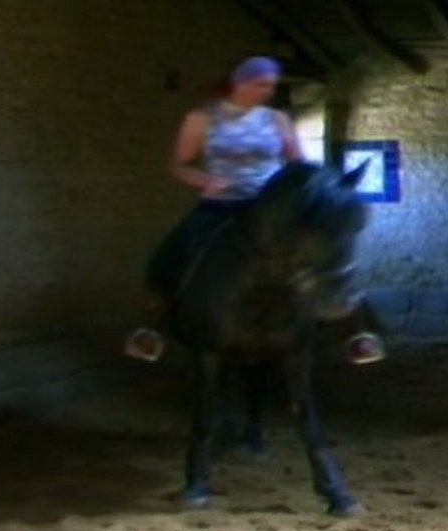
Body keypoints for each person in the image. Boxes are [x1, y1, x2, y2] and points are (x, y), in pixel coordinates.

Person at [124, 55, 386, 365]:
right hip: (219, 205)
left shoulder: (277, 120)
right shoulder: (202, 117)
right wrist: (203, 179)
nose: (267, 91)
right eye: (261, 84)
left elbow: (299, 167)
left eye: (271, 86)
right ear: (239, 83)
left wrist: (319, 187)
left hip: (271, 211)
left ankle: (356, 330)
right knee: (169, 253)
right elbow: (178, 164)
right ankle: (152, 329)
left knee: (327, 247)